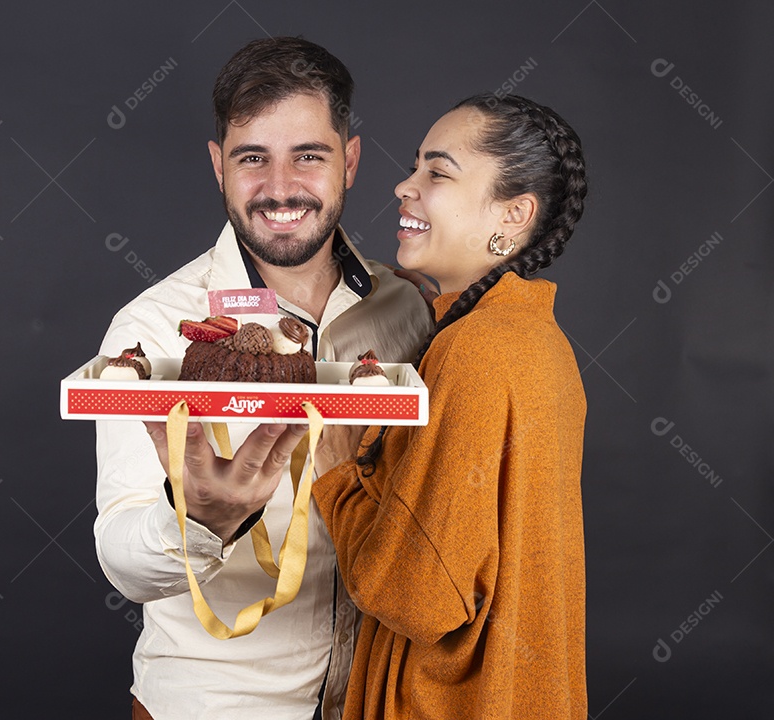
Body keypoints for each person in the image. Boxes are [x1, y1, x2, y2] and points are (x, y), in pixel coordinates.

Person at [93, 37, 433, 719]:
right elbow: (122, 558)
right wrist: (200, 522)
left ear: (351, 161)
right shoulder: (153, 328)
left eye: (309, 156)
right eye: (253, 159)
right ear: (219, 166)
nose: (281, 189)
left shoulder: (409, 307)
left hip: (380, 700)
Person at [312, 93, 589, 719]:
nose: (403, 187)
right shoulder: (533, 340)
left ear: (514, 214)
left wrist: (337, 476)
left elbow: (417, 595)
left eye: (437, 173)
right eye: (415, 167)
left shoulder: (477, 351)